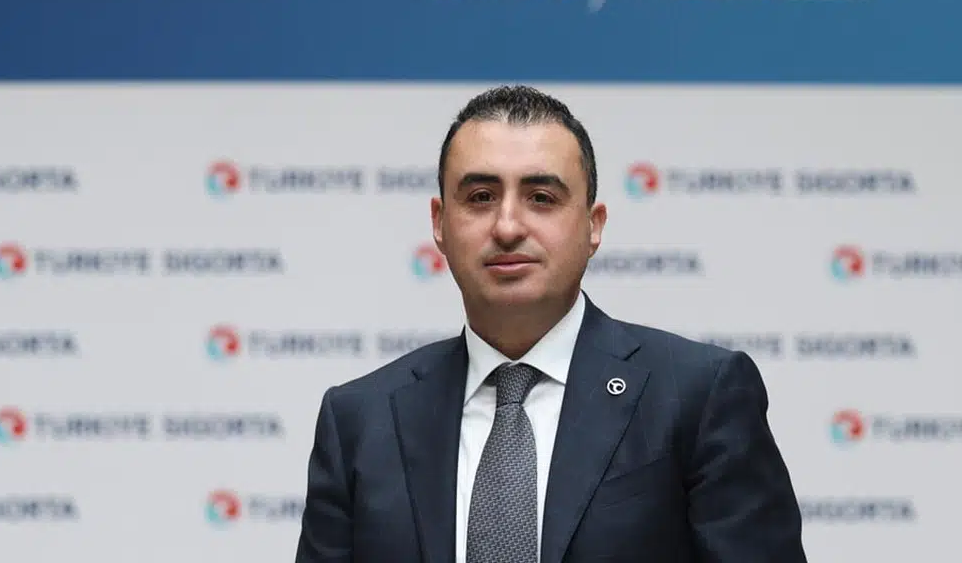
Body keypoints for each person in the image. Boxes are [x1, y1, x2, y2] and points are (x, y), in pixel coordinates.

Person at [294, 85, 807, 562]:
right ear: (439, 223)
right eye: (480, 197)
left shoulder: (698, 396)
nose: (507, 226)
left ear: (592, 226)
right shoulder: (359, 420)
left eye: (541, 198)